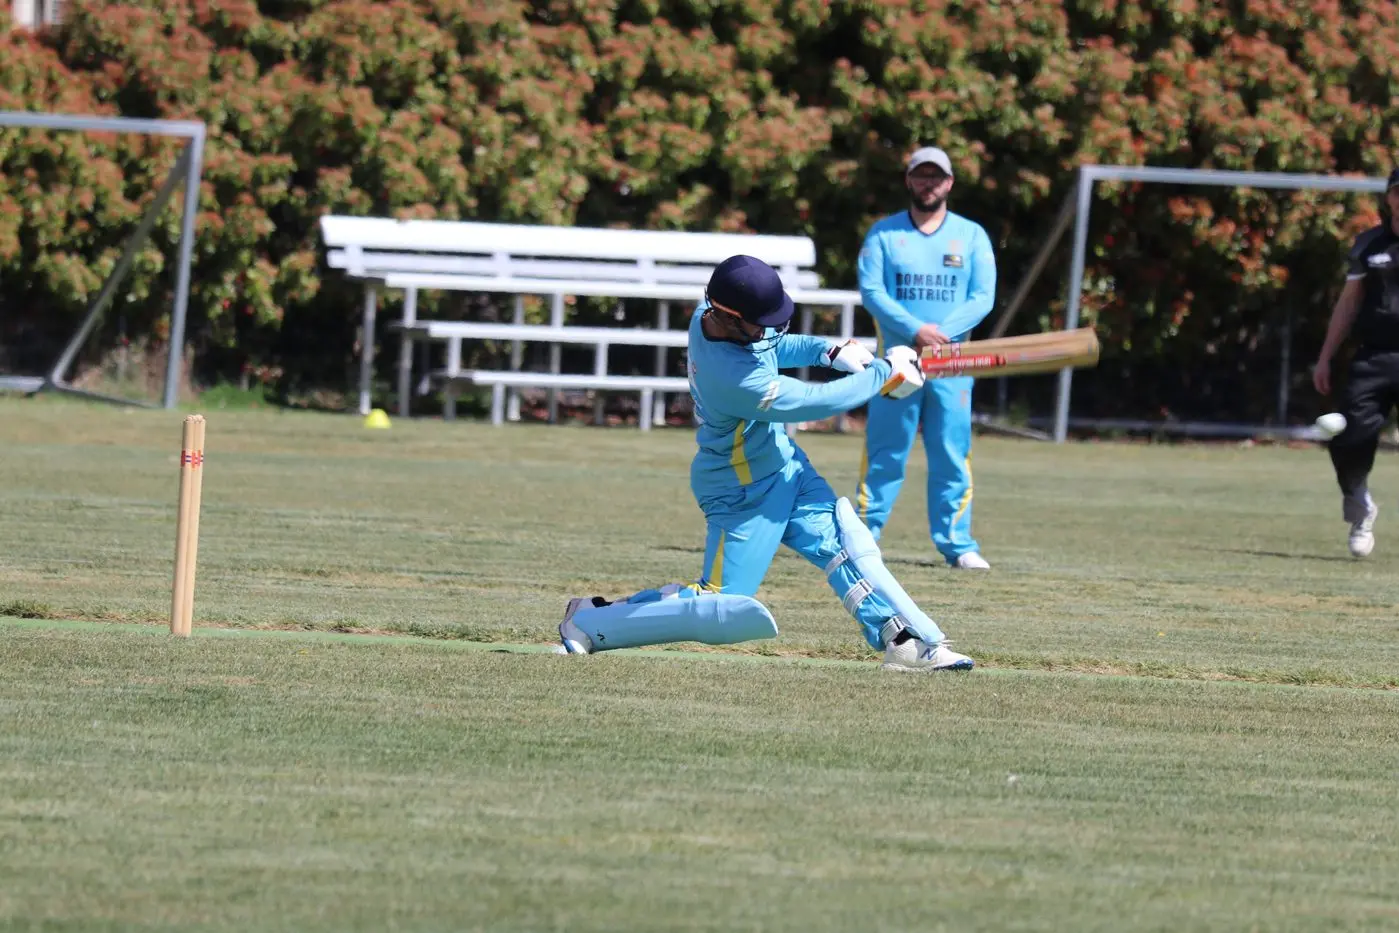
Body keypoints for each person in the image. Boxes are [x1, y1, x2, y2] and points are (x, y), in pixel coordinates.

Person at [557, 254, 976, 673]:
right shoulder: (733, 378)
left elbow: (772, 345)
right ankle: (592, 620)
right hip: (741, 490)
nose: (768, 329)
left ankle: (906, 641)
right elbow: (815, 402)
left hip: (785, 467)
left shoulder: (712, 315)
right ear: (727, 316)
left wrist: (828, 351)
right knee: (720, 603)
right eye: (759, 321)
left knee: (846, 546)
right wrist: (881, 373)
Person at [855, 146, 998, 569]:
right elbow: (873, 292)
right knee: (885, 449)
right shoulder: (883, 234)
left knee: (952, 451)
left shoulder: (971, 235)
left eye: (936, 177)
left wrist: (943, 334)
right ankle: (865, 534)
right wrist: (917, 330)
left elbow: (983, 297)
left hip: (952, 364)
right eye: (921, 175)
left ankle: (958, 544)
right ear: (909, 180)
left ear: (949, 183)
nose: (928, 183)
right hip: (897, 363)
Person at [1312, 167, 1399, 558]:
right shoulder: (1370, 243)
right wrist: (1326, 357)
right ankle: (1361, 507)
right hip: (1374, 357)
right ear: (1389, 198)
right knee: (1348, 440)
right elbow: (1348, 304)